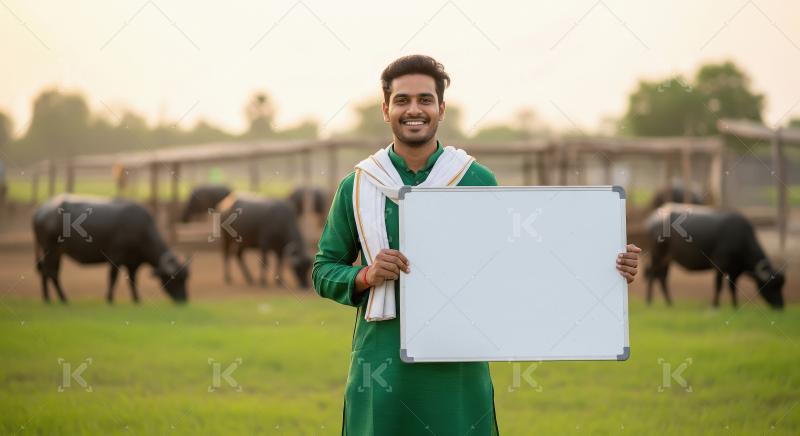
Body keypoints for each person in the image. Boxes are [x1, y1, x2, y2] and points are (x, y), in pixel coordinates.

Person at [312, 54, 641, 435]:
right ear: (385, 110)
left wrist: (606, 265)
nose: (413, 109)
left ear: (441, 109)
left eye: (425, 99)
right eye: (402, 100)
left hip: (458, 364)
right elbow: (323, 270)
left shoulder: (474, 179)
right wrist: (366, 275)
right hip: (381, 365)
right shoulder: (359, 185)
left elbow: (519, 267)